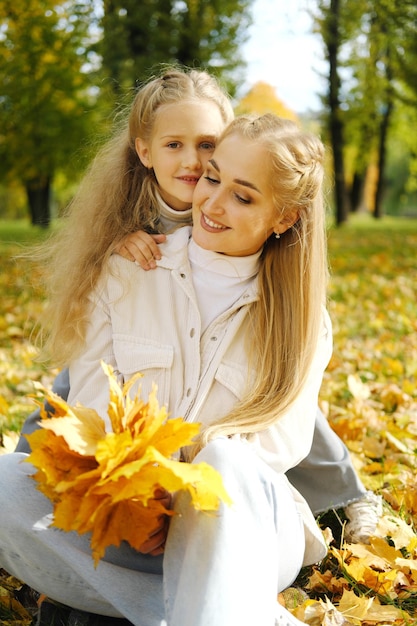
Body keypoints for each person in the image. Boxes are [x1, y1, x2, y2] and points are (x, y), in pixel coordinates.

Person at [15, 66, 381, 543]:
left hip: (232, 353)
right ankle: (31, 469)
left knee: (284, 395)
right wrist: (122, 241)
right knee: (69, 395)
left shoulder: (236, 194)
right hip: (139, 330)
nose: (192, 163)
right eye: (174, 145)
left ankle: (346, 494)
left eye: (207, 145)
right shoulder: (131, 208)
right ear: (144, 151)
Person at [2, 113, 332, 626]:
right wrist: (132, 497)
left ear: (284, 218)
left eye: (243, 197)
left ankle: (206, 597)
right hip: (133, 523)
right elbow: (92, 409)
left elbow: (280, 444)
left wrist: (176, 490)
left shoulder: (303, 318)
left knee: (226, 460)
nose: (212, 203)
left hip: (244, 530)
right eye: (212, 176)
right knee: (5, 482)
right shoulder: (127, 271)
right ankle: (225, 610)